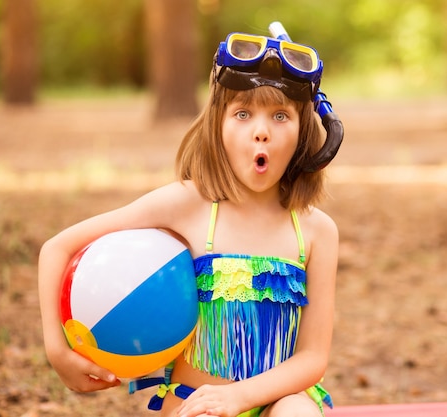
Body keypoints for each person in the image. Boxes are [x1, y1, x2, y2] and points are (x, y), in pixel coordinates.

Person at [38, 23, 342, 417]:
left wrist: (240, 397)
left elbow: (313, 358)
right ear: (217, 125)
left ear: (304, 133)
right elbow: (57, 248)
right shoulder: (189, 204)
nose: (261, 132)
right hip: (195, 403)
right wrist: (56, 350)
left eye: (281, 116)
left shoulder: (316, 231)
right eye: (243, 114)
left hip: (278, 402)